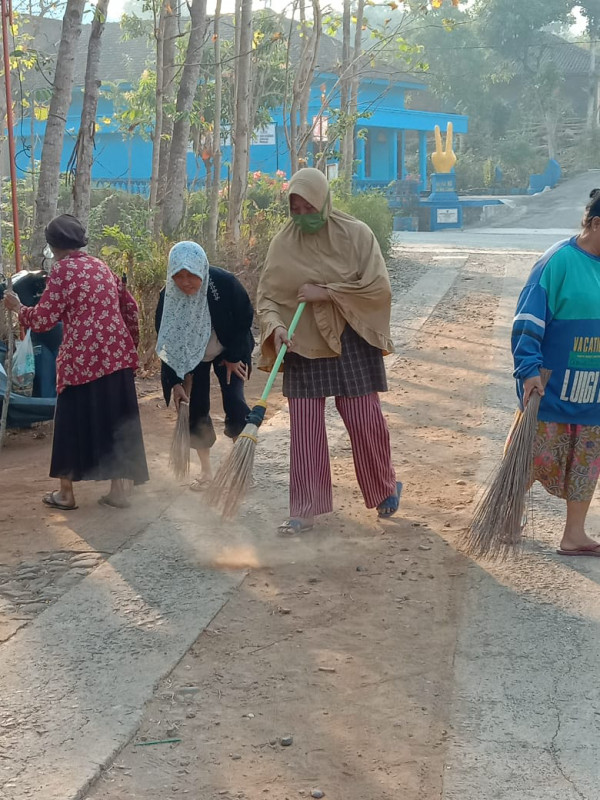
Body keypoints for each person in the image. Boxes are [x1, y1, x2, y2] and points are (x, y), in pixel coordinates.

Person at [257, 167, 401, 535]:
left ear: (324, 201)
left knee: (364, 419)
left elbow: (378, 289)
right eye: (296, 209)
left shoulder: (357, 235)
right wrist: (275, 327)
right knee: (304, 427)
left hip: (351, 338)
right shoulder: (282, 244)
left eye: (310, 208)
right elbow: (268, 296)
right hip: (301, 341)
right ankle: (305, 507)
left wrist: (328, 292)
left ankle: (384, 489)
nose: (303, 217)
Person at [2, 213, 149, 510]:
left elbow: (43, 321)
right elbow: (127, 305)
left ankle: (66, 494)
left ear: (53, 245)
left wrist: (18, 307)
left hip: (82, 359)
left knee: (70, 421)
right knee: (116, 418)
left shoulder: (62, 271)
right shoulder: (100, 265)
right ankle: (120, 490)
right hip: (116, 353)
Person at [512, 188, 600, 557]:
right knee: (529, 457)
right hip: (551, 387)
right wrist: (527, 368)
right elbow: (527, 320)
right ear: (596, 224)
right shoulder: (557, 261)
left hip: (594, 392)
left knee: (587, 464)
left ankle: (574, 534)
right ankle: (506, 517)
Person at [155, 241, 254, 489]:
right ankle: (206, 473)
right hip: (191, 357)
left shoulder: (223, 282)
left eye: (191, 275)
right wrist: (175, 382)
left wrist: (233, 356)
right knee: (196, 409)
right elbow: (166, 339)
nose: (185, 282)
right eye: (178, 275)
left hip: (228, 350)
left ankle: (242, 471)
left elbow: (244, 319)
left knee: (236, 403)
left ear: (202, 269)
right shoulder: (168, 296)